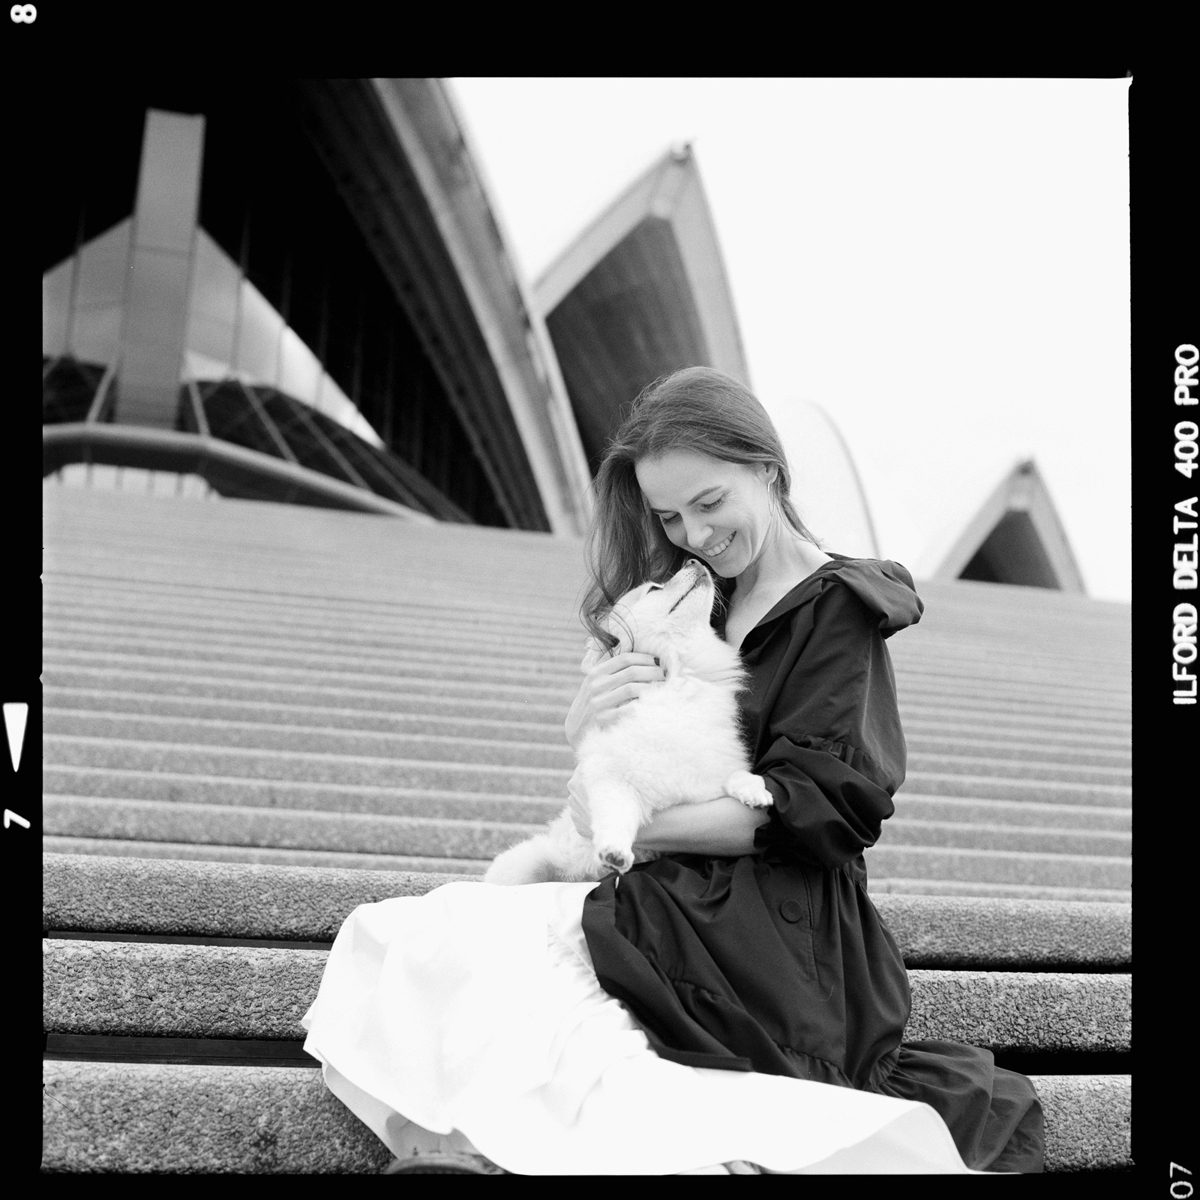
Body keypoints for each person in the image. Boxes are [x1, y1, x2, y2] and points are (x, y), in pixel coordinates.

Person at [301, 366, 1045, 1175]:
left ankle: (495, 1153)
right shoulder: (702, 597)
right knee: (427, 931)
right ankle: (474, 1150)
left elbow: (817, 812)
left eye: (710, 502)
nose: (693, 535)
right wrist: (586, 722)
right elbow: (643, 763)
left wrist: (624, 821)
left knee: (548, 976)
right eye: (670, 516)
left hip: (776, 924)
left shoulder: (836, 608)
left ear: (767, 470)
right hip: (673, 890)